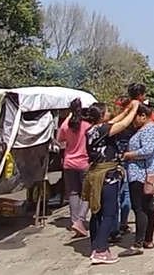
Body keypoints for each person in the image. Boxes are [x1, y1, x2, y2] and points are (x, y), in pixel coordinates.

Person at [82, 100, 138, 266]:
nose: (109, 114)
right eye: (107, 112)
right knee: (109, 213)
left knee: (96, 212)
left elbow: (113, 122)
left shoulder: (92, 130)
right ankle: (101, 250)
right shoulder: (104, 129)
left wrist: (126, 109)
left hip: (96, 173)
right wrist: (133, 109)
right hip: (107, 176)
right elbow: (123, 124)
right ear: (101, 115)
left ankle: (95, 245)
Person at [121, 105, 154, 255]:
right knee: (148, 208)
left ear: (143, 116)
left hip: (141, 175)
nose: (133, 122)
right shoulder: (149, 129)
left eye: (135, 117)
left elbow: (147, 150)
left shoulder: (148, 130)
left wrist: (128, 155)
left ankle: (138, 244)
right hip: (144, 174)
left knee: (140, 209)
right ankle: (147, 239)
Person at [57, 98, 91, 238]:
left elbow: (59, 138)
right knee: (87, 193)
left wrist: (68, 118)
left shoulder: (67, 125)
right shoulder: (87, 125)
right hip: (84, 163)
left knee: (73, 192)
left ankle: (74, 221)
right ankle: (80, 221)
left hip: (68, 163)